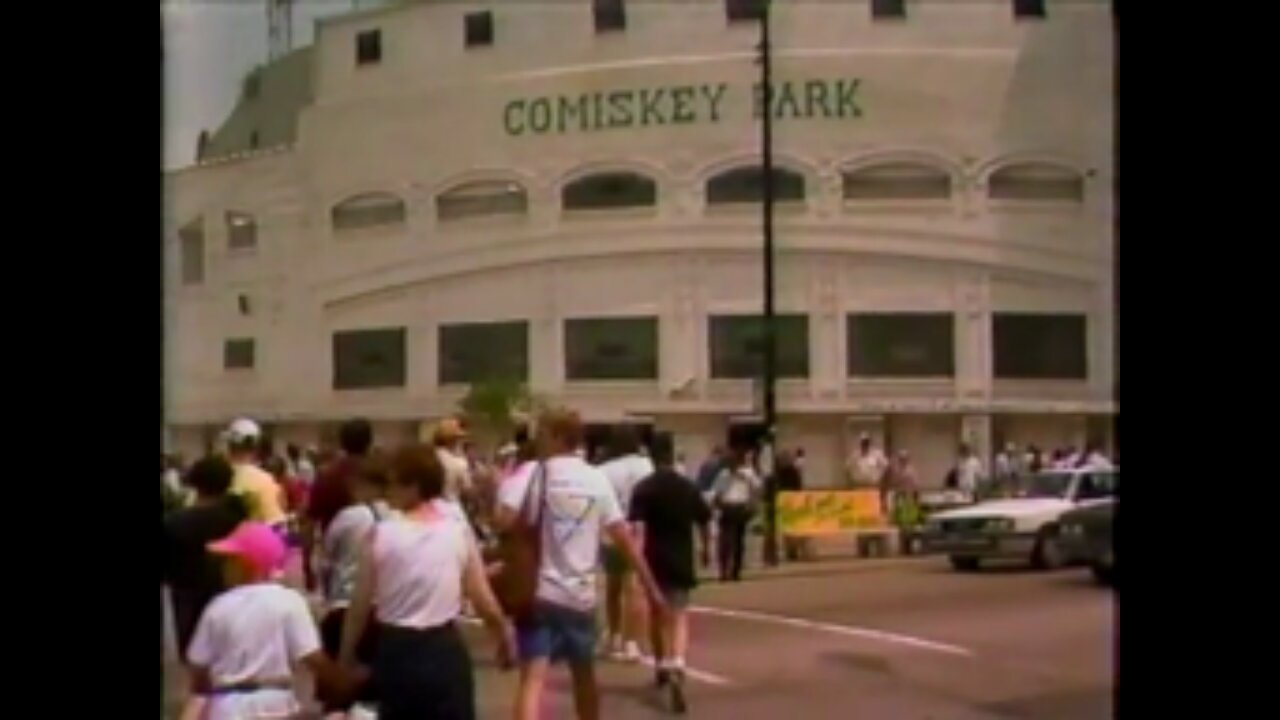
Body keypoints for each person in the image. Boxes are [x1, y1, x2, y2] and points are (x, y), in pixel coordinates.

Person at [496, 408, 667, 720]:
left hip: (540, 592)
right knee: (584, 675)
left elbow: (503, 521)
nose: (539, 440)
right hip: (580, 596)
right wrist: (650, 586)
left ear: (557, 437)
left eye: (543, 433)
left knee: (533, 679)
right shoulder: (596, 478)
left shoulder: (534, 473)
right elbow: (623, 536)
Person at [339, 443, 515, 720]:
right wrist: (502, 634)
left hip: (396, 649)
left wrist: (346, 655)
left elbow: (359, 607)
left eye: (394, 484)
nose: (389, 491)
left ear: (414, 487)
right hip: (443, 647)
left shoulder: (381, 535)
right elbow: (482, 599)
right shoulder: (457, 532)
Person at [180, 521, 349, 720]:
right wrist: (342, 686)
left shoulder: (217, 606)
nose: (224, 568)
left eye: (229, 561)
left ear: (246, 563)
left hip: (226, 707)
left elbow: (198, 667)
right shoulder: (288, 600)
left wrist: (204, 694)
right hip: (276, 704)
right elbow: (312, 657)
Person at [629, 434, 712, 712]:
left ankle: (661, 664)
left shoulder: (643, 489)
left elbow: (638, 531)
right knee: (679, 616)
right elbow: (704, 519)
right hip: (681, 557)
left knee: (657, 615)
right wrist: (706, 549)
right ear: (672, 454)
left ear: (650, 456)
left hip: (653, 560)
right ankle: (677, 661)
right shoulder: (687, 487)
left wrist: (636, 562)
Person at [317, 452, 392, 715]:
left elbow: (326, 560)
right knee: (374, 692)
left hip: (343, 606)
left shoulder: (348, 516)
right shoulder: (394, 516)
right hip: (382, 609)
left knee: (338, 692)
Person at [164, 456, 249, 660]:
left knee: (195, 659)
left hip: (188, 599)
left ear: (194, 483)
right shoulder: (239, 519)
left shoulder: (174, 523)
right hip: (234, 597)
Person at [596, 424, 655, 663]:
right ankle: (632, 642)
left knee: (613, 587)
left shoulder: (603, 469)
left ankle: (615, 636)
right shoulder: (645, 465)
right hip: (638, 529)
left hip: (611, 530)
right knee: (634, 588)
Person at [304, 418, 373, 593]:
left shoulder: (327, 476)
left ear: (341, 443)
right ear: (369, 442)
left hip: (337, 561)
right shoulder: (381, 474)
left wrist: (307, 565)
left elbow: (309, 522)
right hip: (376, 558)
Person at [224, 419, 288, 533]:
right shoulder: (263, 481)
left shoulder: (211, 476)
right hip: (250, 547)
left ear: (228, 444)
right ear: (256, 446)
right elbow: (276, 527)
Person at [711, 447, 761, 582]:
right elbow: (717, 494)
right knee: (726, 542)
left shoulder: (747, 474)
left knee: (738, 541)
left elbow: (757, 489)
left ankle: (735, 571)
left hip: (740, 508)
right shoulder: (724, 475)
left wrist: (752, 503)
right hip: (728, 508)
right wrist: (718, 505)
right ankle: (724, 571)